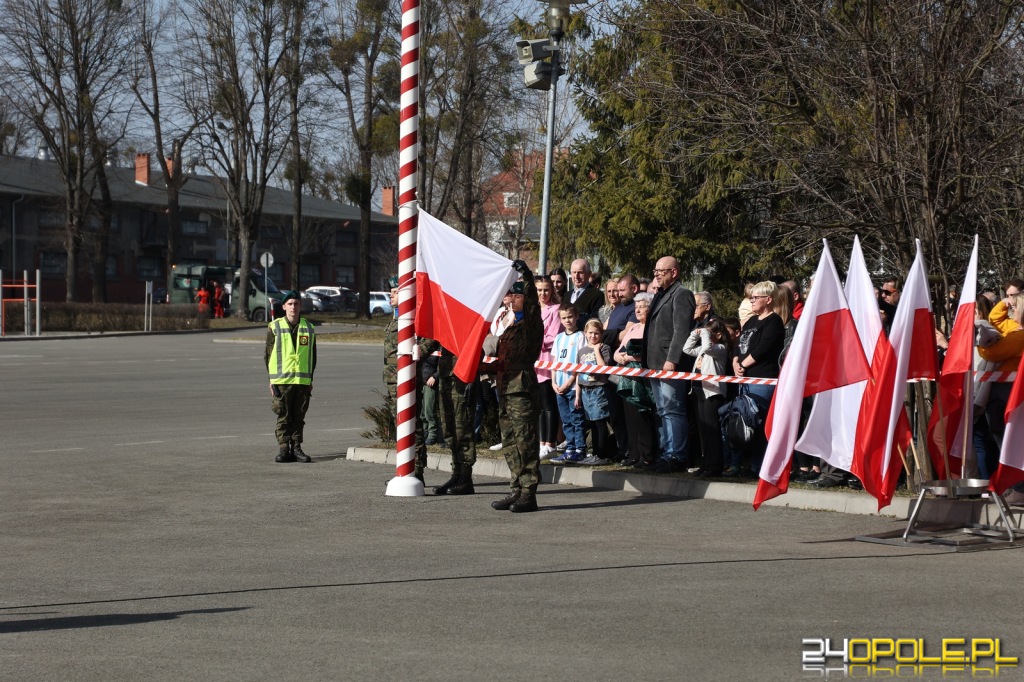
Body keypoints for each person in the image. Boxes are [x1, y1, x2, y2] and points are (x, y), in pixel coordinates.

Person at [490, 261, 545, 513]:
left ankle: (528, 492)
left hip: (521, 389)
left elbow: (533, 306)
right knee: (510, 441)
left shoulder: (530, 325)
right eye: (508, 295)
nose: (509, 299)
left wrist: (528, 278)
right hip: (504, 388)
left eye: (514, 294)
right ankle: (516, 488)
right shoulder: (509, 326)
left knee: (526, 441)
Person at [642, 256, 697, 473]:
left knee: (672, 409)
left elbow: (681, 330)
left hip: (668, 362)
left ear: (674, 272)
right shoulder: (660, 294)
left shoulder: (682, 294)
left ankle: (676, 454)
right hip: (654, 362)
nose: (656, 274)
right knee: (663, 409)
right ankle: (666, 452)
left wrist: (672, 359)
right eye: (655, 271)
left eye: (661, 271)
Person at [732, 281, 785, 474]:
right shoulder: (752, 321)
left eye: (755, 298)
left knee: (759, 422)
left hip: (761, 380)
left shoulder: (774, 322)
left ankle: (758, 465)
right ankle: (740, 463)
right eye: (751, 298)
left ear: (768, 300)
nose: (751, 301)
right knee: (743, 422)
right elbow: (739, 344)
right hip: (744, 379)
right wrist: (735, 362)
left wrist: (743, 365)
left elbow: (763, 349)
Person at [265, 290, 316, 463]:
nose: (294, 307)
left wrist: (310, 380)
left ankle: (297, 448)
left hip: (302, 381)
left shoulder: (309, 328)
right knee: (283, 416)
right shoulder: (275, 327)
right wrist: (271, 380)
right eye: (290, 304)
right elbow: (268, 355)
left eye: (297, 304)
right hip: (282, 381)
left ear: (300, 306)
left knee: (299, 417)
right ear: (284, 306)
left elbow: (312, 356)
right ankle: (284, 448)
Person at [683, 318, 732, 477]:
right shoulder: (705, 349)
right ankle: (706, 463)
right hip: (699, 390)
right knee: (703, 429)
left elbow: (707, 346)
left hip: (712, 392)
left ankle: (714, 465)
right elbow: (687, 349)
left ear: (718, 335)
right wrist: (694, 335)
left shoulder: (719, 348)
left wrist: (704, 333)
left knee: (712, 430)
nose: (705, 335)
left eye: (709, 333)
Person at [614, 293, 657, 467]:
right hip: (627, 376)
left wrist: (629, 357)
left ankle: (646, 455)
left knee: (643, 415)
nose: (638, 310)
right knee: (629, 415)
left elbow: (647, 354)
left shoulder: (652, 328)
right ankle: (634, 454)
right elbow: (619, 351)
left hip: (643, 378)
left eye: (642, 306)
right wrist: (621, 357)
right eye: (636, 307)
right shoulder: (632, 329)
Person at [433, 349, 479, 495]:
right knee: (449, 429)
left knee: (462, 429)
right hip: (446, 376)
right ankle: (456, 474)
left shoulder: (467, 327)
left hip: (462, 378)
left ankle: (465, 478)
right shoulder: (448, 327)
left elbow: (478, 350)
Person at [550, 304, 587, 465]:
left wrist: (569, 382)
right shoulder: (559, 338)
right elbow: (554, 363)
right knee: (566, 420)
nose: (567, 320)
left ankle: (580, 449)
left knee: (576, 418)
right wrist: (553, 382)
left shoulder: (580, 337)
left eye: (570, 317)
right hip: (559, 387)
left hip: (572, 386)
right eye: (564, 318)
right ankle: (570, 448)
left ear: (577, 316)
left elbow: (580, 363)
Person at [575, 319, 615, 465]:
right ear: (585, 333)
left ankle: (602, 455)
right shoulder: (582, 351)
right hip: (586, 390)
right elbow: (579, 374)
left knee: (600, 422)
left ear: (601, 334)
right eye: (590, 333)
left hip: (599, 389)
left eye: (596, 333)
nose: (593, 336)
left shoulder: (604, 348)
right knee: (591, 422)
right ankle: (595, 452)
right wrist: (578, 395)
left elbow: (603, 368)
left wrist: (596, 350)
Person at [536, 276, 563, 459]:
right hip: (533, 361)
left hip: (547, 359)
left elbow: (553, 336)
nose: (543, 294)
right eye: (539, 290)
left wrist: (535, 340)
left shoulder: (555, 310)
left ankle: (550, 443)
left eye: (546, 290)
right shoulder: (532, 309)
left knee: (548, 404)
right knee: (538, 405)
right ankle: (541, 442)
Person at [568, 259, 604, 324]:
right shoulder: (566, 295)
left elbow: (595, 321)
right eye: (574, 272)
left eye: (580, 273)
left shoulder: (597, 295)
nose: (576, 276)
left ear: (589, 274)